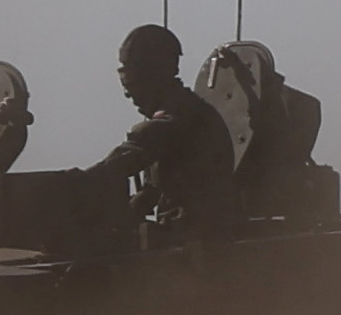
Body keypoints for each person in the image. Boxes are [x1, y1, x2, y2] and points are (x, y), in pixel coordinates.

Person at [91, 22, 237, 239]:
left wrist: (74, 185)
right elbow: (153, 191)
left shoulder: (177, 118)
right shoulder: (188, 110)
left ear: (153, 76)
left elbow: (119, 163)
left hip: (198, 240)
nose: (130, 97)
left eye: (134, 88)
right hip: (190, 235)